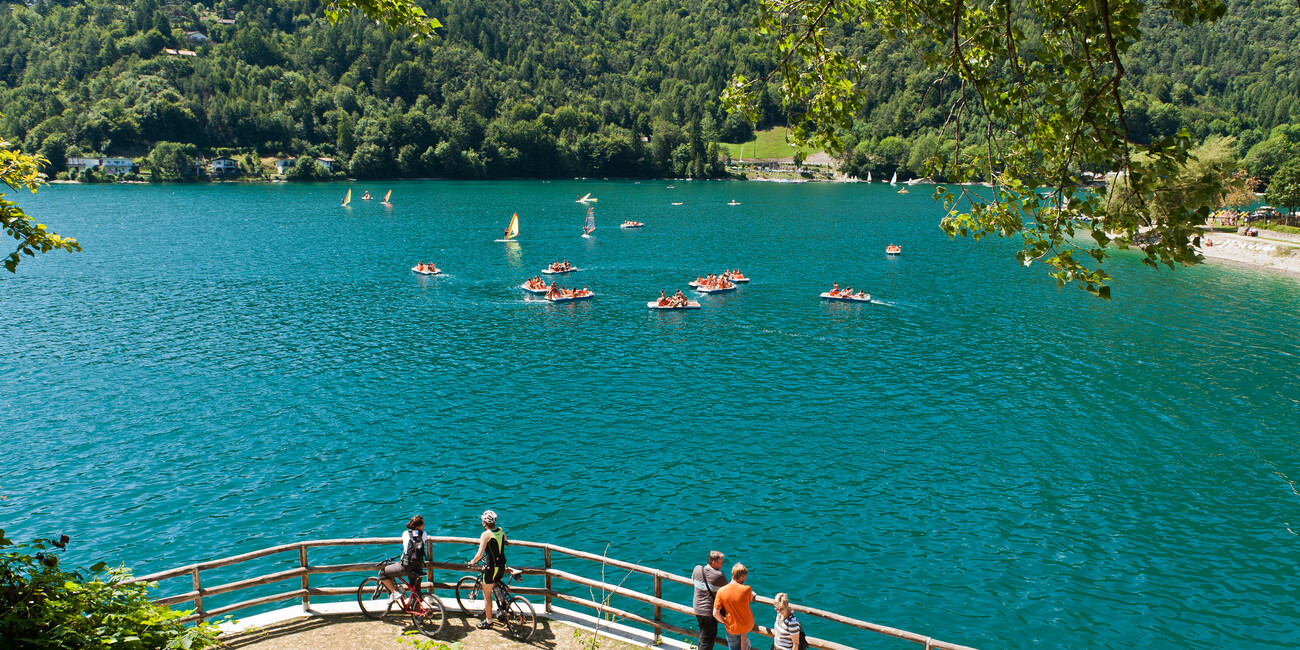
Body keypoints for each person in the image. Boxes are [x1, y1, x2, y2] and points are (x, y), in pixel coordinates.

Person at [469, 510, 507, 629]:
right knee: (497, 586)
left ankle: (489, 621)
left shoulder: (485, 534)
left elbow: (479, 554)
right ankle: (503, 608)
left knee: (486, 594)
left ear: (485, 522)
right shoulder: (500, 530)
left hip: (491, 567)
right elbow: (505, 539)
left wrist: (472, 562)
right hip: (502, 565)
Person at [378, 515, 426, 605]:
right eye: (423, 524)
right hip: (418, 566)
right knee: (416, 591)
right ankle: (418, 611)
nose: (424, 526)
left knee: (382, 573)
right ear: (418, 527)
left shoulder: (405, 533)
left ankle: (395, 592)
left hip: (406, 566)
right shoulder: (424, 534)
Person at [713, 563, 756, 650]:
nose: (745, 579)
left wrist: (725, 622)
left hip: (732, 626)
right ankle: (744, 646)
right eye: (745, 577)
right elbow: (750, 598)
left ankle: (743, 646)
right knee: (743, 634)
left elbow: (715, 613)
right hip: (747, 624)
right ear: (741, 577)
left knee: (733, 647)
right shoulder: (747, 589)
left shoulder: (721, 591)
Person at [693, 551, 728, 650]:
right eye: (721, 562)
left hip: (697, 609)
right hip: (708, 612)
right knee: (707, 640)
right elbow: (729, 590)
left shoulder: (697, 569)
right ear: (714, 563)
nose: (722, 564)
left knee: (703, 635)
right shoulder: (719, 575)